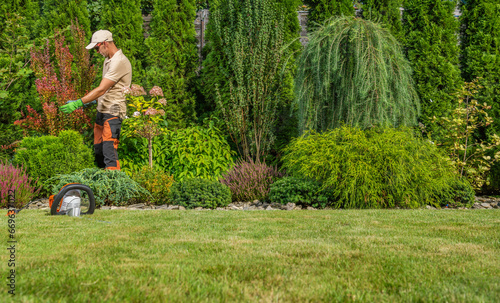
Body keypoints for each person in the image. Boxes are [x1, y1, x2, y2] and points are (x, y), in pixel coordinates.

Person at [59, 30, 132, 170]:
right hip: (102, 110)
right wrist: (92, 101)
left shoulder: (119, 61)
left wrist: (79, 102)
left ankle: (114, 186)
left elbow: (101, 89)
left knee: (109, 152)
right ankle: (101, 184)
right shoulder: (108, 60)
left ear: (105, 43)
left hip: (113, 112)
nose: (97, 51)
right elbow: (108, 88)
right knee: (98, 152)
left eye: (97, 48)